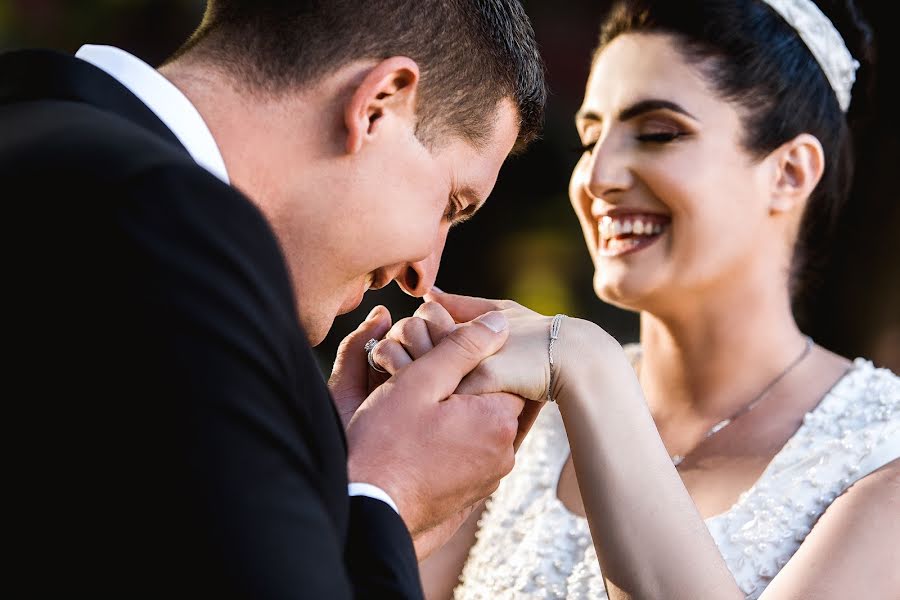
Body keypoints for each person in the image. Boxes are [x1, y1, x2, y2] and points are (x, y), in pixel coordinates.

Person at [1, 1, 546, 597]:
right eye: (452, 205)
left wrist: (311, 487)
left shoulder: (35, 130)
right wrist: (387, 494)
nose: (424, 272)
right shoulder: (165, 228)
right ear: (380, 104)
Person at [367, 0, 899, 597]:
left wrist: (591, 366)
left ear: (790, 172)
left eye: (657, 133)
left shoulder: (881, 459)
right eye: (591, 140)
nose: (597, 179)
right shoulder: (524, 425)